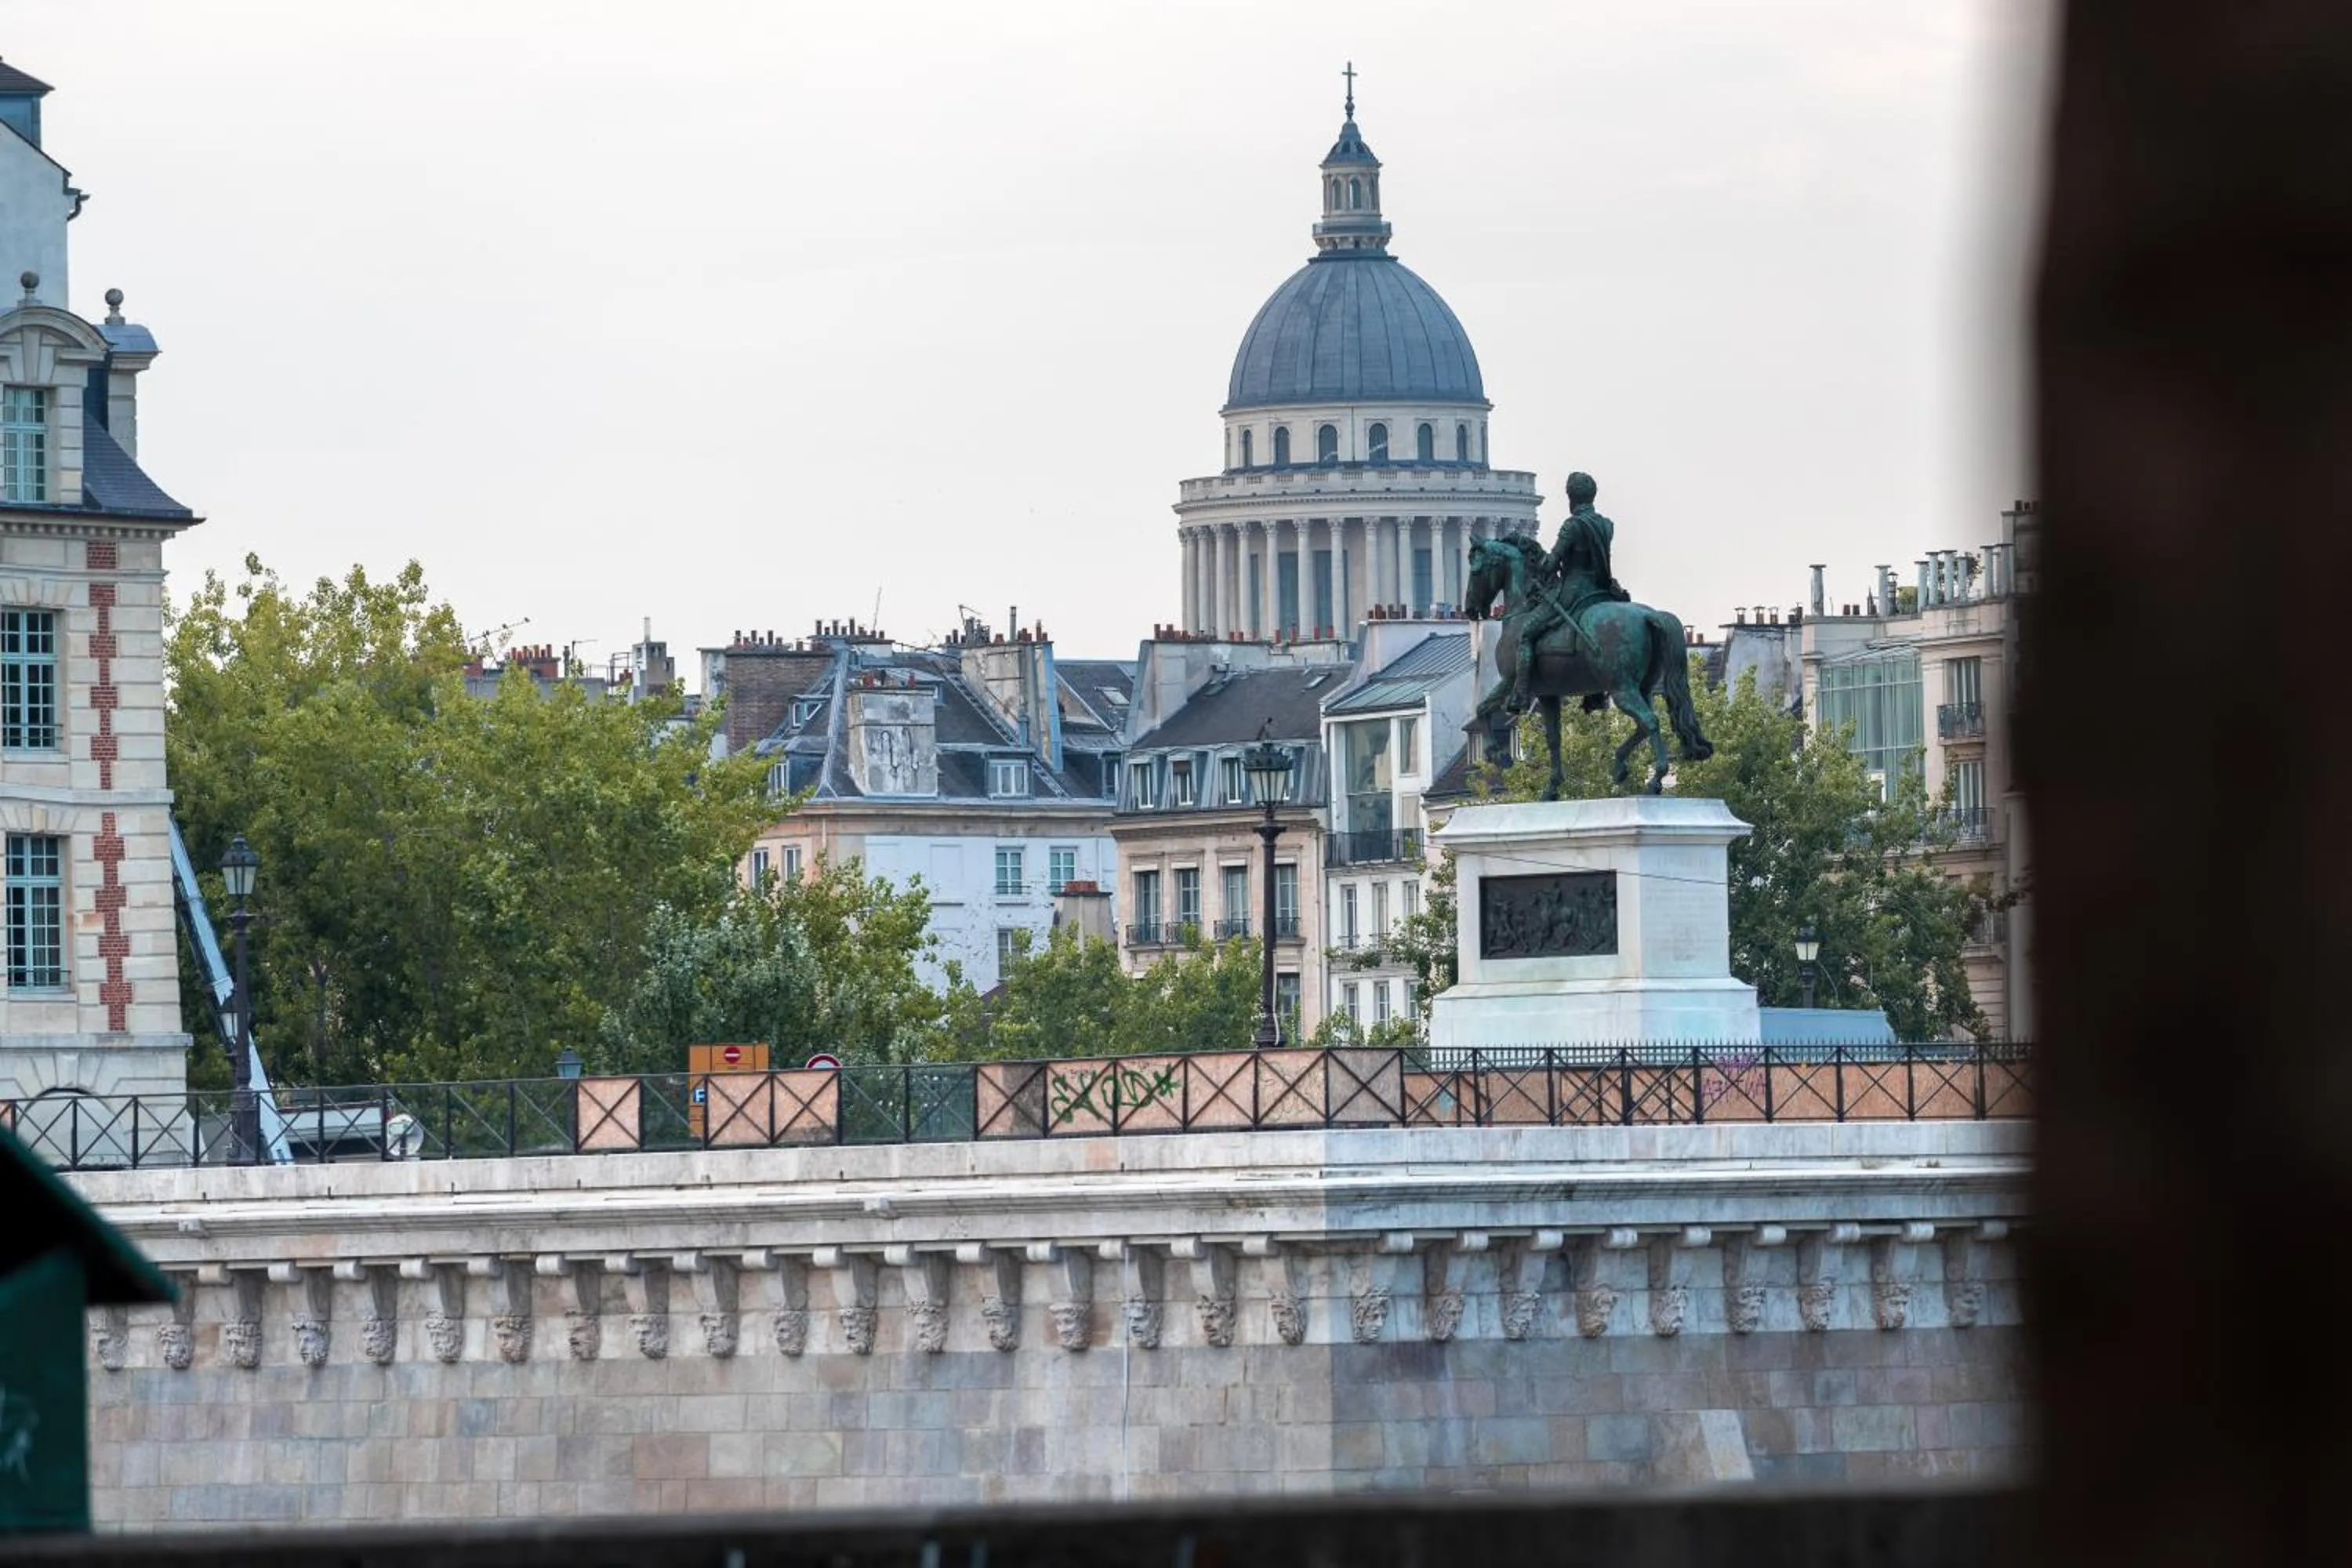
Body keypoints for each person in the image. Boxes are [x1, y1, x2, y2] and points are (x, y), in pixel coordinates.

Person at [1512, 471, 1630, 712]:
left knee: (1527, 633)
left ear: (1571, 498)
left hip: (1574, 589)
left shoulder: (1573, 525)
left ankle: (1521, 694)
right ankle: (1596, 693)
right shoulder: (1606, 525)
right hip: (1600, 589)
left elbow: (1551, 564)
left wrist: (1535, 555)